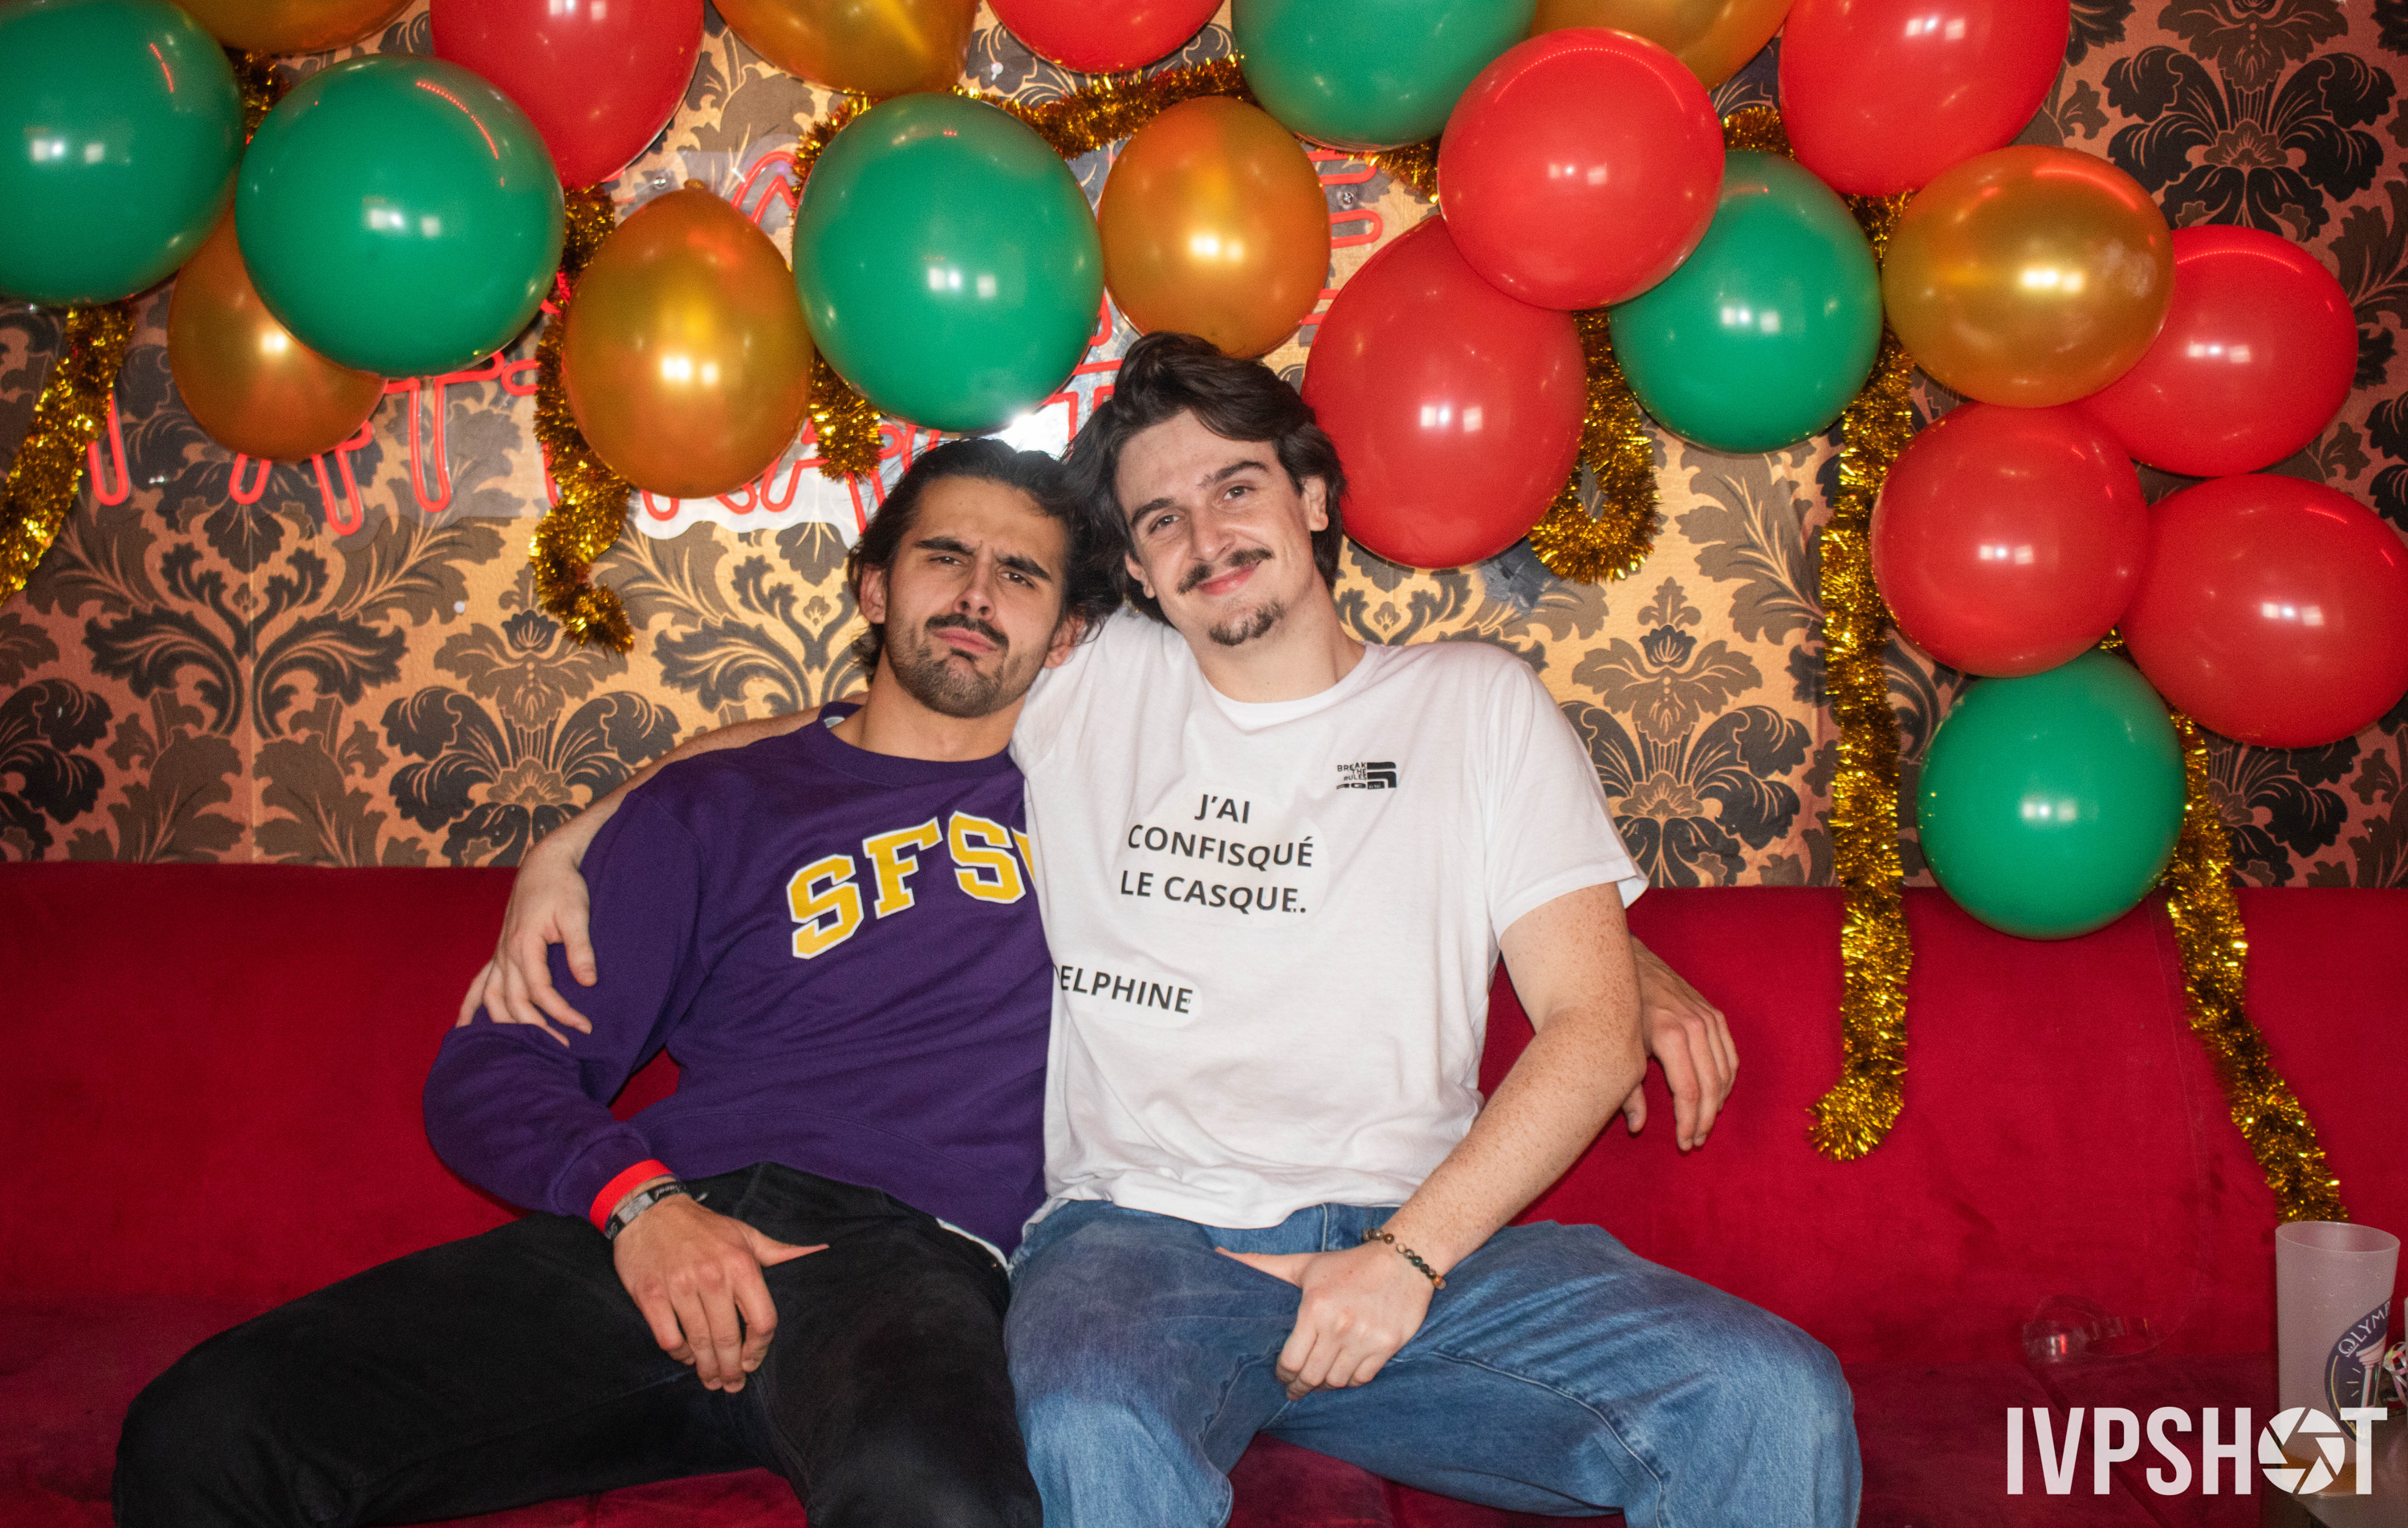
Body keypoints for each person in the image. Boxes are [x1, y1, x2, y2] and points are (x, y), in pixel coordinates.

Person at [474, 334, 1861, 1526]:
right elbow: (855, 730)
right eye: (1159, 519)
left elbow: (1588, 1026)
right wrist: (579, 834)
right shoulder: (1090, 684)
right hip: (1138, 1248)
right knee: (1084, 1419)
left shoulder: (1478, 703)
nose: (1205, 536)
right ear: (1134, 574)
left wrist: (1408, 1256)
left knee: (1768, 1392)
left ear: (1312, 499)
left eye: (1235, 486)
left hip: (1425, 1241)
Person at [113, 439, 1120, 1528]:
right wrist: (640, 1205)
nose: (977, 594)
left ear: (1067, 634)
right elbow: (495, 1068)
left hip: (910, 1266)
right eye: (945, 556)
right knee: (207, 1428)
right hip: (672, 1219)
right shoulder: (712, 807)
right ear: (875, 587)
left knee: (944, 1508)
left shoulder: (1101, 804)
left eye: (1021, 574)